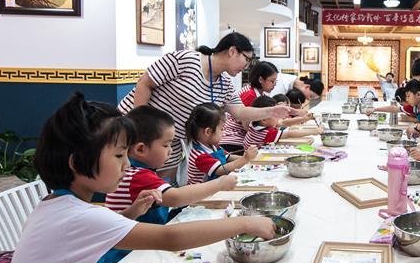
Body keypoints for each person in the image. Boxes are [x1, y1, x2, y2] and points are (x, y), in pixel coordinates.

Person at [3, 93, 275, 263]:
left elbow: (96, 234)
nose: (127, 164)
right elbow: (171, 238)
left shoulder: (60, 205)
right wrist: (247, 223)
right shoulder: (78, 216)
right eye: (119, 155)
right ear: (76, 163)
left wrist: (130, 214)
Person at [119, 33, 299, 172]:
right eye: (247, 59)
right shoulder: (186, 60)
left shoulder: (224, 83)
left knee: (157, 196)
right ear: (232, 51)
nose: (247, 66)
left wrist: (272, 111)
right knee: (126, 184)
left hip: (170, 142)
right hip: (135, 132)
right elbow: (145, 83)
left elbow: (239, 112)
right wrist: (139, 127)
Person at [105, 106, 238, 222]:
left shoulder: (138, 171)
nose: (171, 150)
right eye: (166, 145)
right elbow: (175, 197)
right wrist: (220, 184)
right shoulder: (138, 175)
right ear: (141, 149)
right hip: (130, 250)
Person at [186, 103, 257, 185]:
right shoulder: (199, 156)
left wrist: (249, 158)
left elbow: (228, 157)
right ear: (208, 132)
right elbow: (222, 170)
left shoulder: (213, 146)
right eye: (222, 129)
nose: (224, 133)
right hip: (201, 195)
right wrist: (245, 159)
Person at [220, 61, 280, 152]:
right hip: (233, 140)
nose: (275, 84)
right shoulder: (249, 95)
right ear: (260, 80)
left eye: (276, 81)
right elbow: (247, 125)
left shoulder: (258, 93)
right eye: (272, 81)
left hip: (241, 139)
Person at [243, 96, 321, 148]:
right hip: (254, 158)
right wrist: (314, 131)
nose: (278, 117)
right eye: (275, 114)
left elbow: (283, 123)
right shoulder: (265, 133)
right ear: (263, 119)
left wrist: (304, 119)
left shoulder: (255, 123)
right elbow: (289, 134)